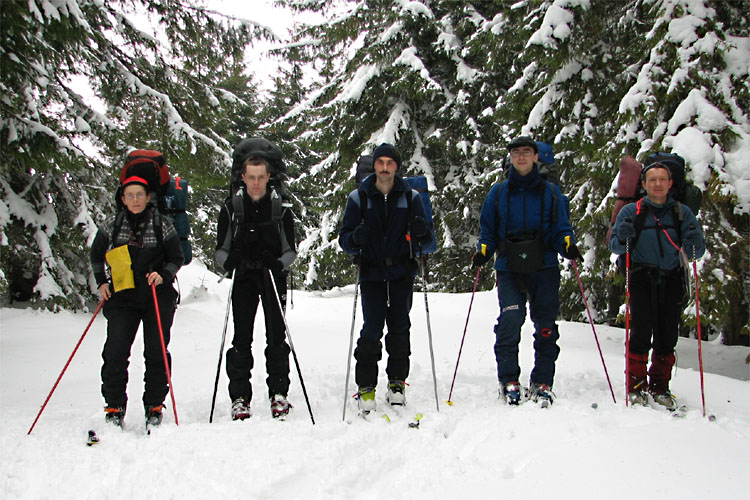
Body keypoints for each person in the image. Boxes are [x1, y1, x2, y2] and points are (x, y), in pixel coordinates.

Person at [472, 136, 578, 407]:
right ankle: (508, 379)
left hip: (544, 266)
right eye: (516, 152)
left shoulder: (551, 193)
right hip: (509, 267)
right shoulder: (498, 193)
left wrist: (566, 244)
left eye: (526, 152)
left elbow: (561, 229)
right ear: (510, 158)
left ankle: (543, 381)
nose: (521, 157)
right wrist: (484, 250)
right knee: (511, 319)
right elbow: (488, 230)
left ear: (535, 157)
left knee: (545, 325)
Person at [339, 143, 433, 414]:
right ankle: (366, 385)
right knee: (371, 329)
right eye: (380, 162)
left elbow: (426, 241)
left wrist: (420, 231)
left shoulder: (411, 197)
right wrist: (355, 238)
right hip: (370, 273)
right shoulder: (359, 197)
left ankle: (396, 383)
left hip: (402, 272)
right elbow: (345, 240)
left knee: (400, 327)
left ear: (396, 167)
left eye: (389, 163)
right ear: (374, 166)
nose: (384, 168)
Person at [610, 159, 705, 408]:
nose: (658, 184)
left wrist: (695, 240)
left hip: (672, 278)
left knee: (667, 334)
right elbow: (615, 246)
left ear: (671, 183)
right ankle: (636, 385)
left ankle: (660, 386)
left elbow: (696, 252)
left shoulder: (682, 212)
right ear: (644, 184)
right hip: (642, 277)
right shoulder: (632, 212)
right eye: (652, 180)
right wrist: (623, 235)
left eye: (662, 179)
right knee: (641, 332)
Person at [90, 175, 184, 428]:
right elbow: (96, 254)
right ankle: (114, 406)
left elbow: (178, 256)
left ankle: (154, 405)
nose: (135, 199)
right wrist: (101, 282)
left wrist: (163, 274)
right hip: (123, 296)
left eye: (139, 194)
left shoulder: (162, 224)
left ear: (148, 196)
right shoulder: (111, 224)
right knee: (116, 351)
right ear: (122, 198)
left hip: (157, 294)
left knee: (156, 351)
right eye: (130, 195)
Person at [215, 140, 296, 420]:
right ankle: (240, 396)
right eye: (252, 177)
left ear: (269, 176)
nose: (257, 183)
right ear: (243, 177)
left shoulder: (282, 209)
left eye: (261, 177)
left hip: (273, 277)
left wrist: (277, 264)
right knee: (241, 338)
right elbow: (220, 251)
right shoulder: (231, 208)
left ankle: (279, 394)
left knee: (276, 336)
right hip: (244, 277)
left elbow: (290, 251)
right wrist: (230, 260)